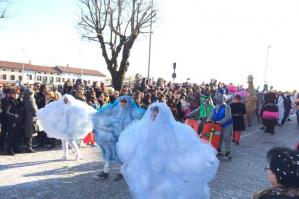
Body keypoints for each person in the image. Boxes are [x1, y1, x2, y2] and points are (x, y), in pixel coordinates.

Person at [117, 103, 219, 199]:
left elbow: (183, 144)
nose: (153, 114)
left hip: (166, 164)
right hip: (151, 164)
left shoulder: (175, 129)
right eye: (152, 112)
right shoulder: (143, 128)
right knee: (151, 186)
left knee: (165, 187)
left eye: (156, 112)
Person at [93, 96, 145, 180]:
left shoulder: (133, 112)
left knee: (123, 154)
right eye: (122, 101)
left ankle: (121, 172)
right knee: (109, 153)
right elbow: (106, 118)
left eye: (125, 101)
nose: (123, 103)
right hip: (113, 137)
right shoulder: (115, 110)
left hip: (126, 138)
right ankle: (105, 172)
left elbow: (142, 119)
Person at [37, 94, 95, 160]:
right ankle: (65, 155)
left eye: (66, 100)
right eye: (64, 100)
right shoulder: (60, 106)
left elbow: (84, 110)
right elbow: (50, 109)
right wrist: (40, 114)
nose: (65, 101)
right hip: (62, 127)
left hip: (70, 127)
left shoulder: (74, 107)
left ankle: (78, 154)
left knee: (70, 141)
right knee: (64, 141)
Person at [208, 89, 233, 157]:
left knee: (226, 137)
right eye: (216, 95)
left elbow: (228, 117)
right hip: (217, 125)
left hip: (226, 125)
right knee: (218, 137)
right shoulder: (215, 107)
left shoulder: (227, 107)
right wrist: (209, 120)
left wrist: (219, 122)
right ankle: (218, 149)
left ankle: (227, 151)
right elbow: (211, 114)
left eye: (218, 95)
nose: (216, 97)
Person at [5, 88, 23, 155]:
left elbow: (21, 109)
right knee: (11, 136)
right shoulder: (9, 101)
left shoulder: (18, 100)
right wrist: (14, 115)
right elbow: (7, 112)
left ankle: (16, 147)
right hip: (12, 122)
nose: (17, 95)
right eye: (15, 94)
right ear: (12, 94)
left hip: (18, 121)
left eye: (18, 94)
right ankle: (9, 149)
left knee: (17, 135)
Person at [23, 88, 38, 153]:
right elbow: (34, 110)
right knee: (30, 132)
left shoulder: (24, 99)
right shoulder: (31, 99)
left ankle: (27, 146)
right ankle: (29, 147)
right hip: (31, 118)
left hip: (26, 118)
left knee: (27, 132)